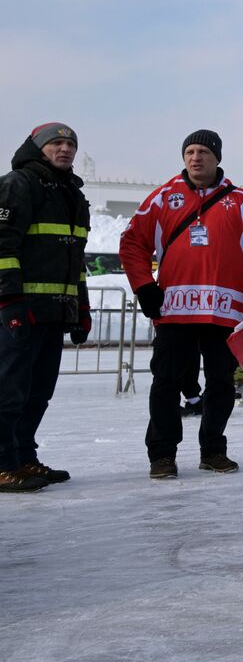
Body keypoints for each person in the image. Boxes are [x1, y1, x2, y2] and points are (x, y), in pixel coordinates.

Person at [120, 129, 243, 480]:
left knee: (221, 383)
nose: (195, 157)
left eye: (204, 151)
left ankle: (213, 451)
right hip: (174, 311)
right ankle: (162, 455)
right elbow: (131, 244)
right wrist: (144, 287)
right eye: (189, 151)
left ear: (217, 157)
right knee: (166, 382)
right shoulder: (162, 198)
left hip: (224, 312)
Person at [0, 123, 90, 492]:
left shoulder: (71, 194)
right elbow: (3, 247)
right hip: (20, 310)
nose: (65, 149)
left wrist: (80, 308)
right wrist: (10, 302)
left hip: (53, 314)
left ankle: (23, 457)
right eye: (56, 143)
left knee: (38, 392)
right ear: (39, 148)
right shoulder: (19, 184)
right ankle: (3, 464)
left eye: (70, 144)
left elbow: (74, 260)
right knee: (9, 390)